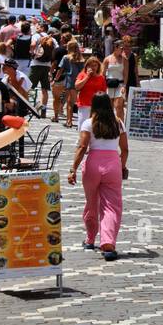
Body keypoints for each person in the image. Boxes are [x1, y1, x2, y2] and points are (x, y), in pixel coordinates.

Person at [69, 93, 128, 261]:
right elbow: (125, 149)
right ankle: (108, 244)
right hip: (112, 164)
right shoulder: (118, 123)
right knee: (111, 206)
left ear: (93, 106)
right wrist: (122, 166)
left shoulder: (88, 123)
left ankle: (89, 239)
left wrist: (72, 168)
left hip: (93, 164)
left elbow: (82, 146)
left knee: (91, 202)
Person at [74, 56, 108, 132]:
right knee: (82, 123)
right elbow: (77, 87)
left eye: (95, 65)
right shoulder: (82, 74)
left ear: (98, 66)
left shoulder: (101, 78)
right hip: (84, 104)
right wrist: (87, 77)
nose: (93, 67)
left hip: (97, 106)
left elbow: (104, 92)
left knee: (94, 125)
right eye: (91, 65)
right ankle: (81, 140)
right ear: (87, 66)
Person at [58, 42, 85, 127]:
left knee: (70, 102)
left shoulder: (66, 57)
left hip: (70, 80)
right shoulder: (81, 58)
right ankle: (70, 120)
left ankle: (69, 121)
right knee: (74, 101)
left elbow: (61, 69)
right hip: (80, 81)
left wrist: (56, 78)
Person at [29, 28, 56, 113]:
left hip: (35, 65)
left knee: (29, 88)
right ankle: (43, 110)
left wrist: (32, 53)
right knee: (45, 90)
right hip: (47, 66)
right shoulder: (53, 39)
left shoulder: (36, 36)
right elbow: (56, 50)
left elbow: (33, 45)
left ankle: (33, 106)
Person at [103, 40, 127, 118]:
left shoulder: (124, 59)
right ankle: (110, 126)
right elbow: (103, 74)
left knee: (119, 106)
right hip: (109, 84)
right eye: (121, 48)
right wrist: (102, 86)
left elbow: (125, 74)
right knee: (109, 108)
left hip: (120, 84)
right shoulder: (107, 59)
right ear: (115, 47)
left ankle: (120, 126)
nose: (123, 50)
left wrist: (124, 86)